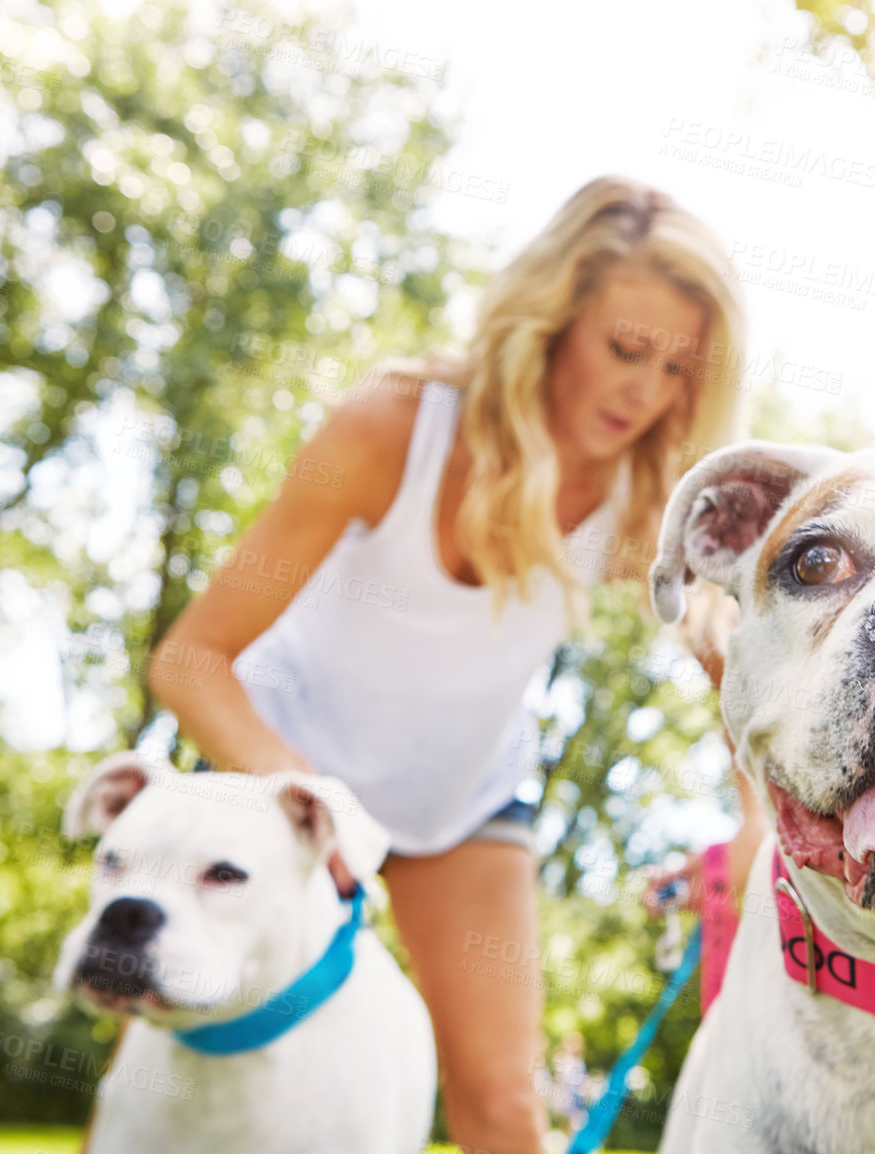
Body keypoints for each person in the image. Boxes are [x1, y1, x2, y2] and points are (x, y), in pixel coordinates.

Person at [146, 175, 760, 1154]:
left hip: (462, 804)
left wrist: (755, 825)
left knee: (504, 1107)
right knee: (193, 1077)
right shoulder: (392, 427)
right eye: (624, 349)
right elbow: (192, 657)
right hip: (283, 782)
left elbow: (738, 660)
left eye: (680, 368)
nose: (646, 393)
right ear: (551, 321)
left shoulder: (644, 501)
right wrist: (306, 799)